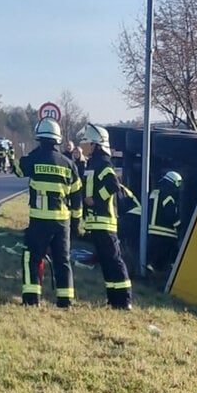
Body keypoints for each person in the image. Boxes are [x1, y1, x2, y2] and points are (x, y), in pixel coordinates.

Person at [13, 118, 82, 308]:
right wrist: (76, 224)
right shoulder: (69, 164)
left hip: (39, 220)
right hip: (62, 222)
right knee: (63, 260)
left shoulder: (34, 159)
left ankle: (31, 299)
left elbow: (18, 169)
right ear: (58, 140)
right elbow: (77, 198)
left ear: (39, 139)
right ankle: (65, 300)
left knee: (32, 257)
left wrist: (33, 153)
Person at [80, 123, 133, 309]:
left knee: (114, 261)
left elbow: (113, 185)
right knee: (105, 262)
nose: (85, 147)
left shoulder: (103, 163)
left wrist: (95, 199)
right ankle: (113, 300)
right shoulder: (92, 164)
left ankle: (125, 301)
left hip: (105, 222)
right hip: (95, 223)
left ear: (97, 145)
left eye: (88, 144)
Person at [146, 170, 182, 273]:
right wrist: (179, 226)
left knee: (154, 259)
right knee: (173, 254)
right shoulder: (168, 194)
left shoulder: (155, 192)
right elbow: (170, 212)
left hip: (152, 230)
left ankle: (150, 273)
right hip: (166, 231)